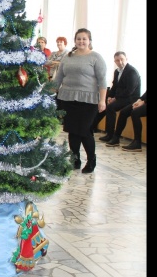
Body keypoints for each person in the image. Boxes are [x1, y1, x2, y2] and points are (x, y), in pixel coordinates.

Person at [53, 28, 107, 174]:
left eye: (84, 39)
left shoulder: (96, 57)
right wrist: (48, 92)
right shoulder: (68, 57)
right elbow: (58, 78)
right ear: (75, 41)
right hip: (67, 98)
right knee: (72, 130)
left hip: (89, 100)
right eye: (78, 38)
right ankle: (75, 159)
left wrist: (102, 100)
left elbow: (102, 81)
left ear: (89, 41)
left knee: (84, 130)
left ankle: (91, 160)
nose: (81, 41)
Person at [91, 51, 141, 146]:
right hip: (121, 97)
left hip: (131, 98)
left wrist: (115, 98)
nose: (120, 62)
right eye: (117, 60)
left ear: (126, 59)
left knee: (111, 107)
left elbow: (129, 91)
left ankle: (112, 135)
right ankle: (94, 127)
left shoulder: (132, 72)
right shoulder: (117, 71)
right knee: (104, 104)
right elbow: (114, 87)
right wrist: (110, 96)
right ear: (115, 62)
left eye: (122, 59)